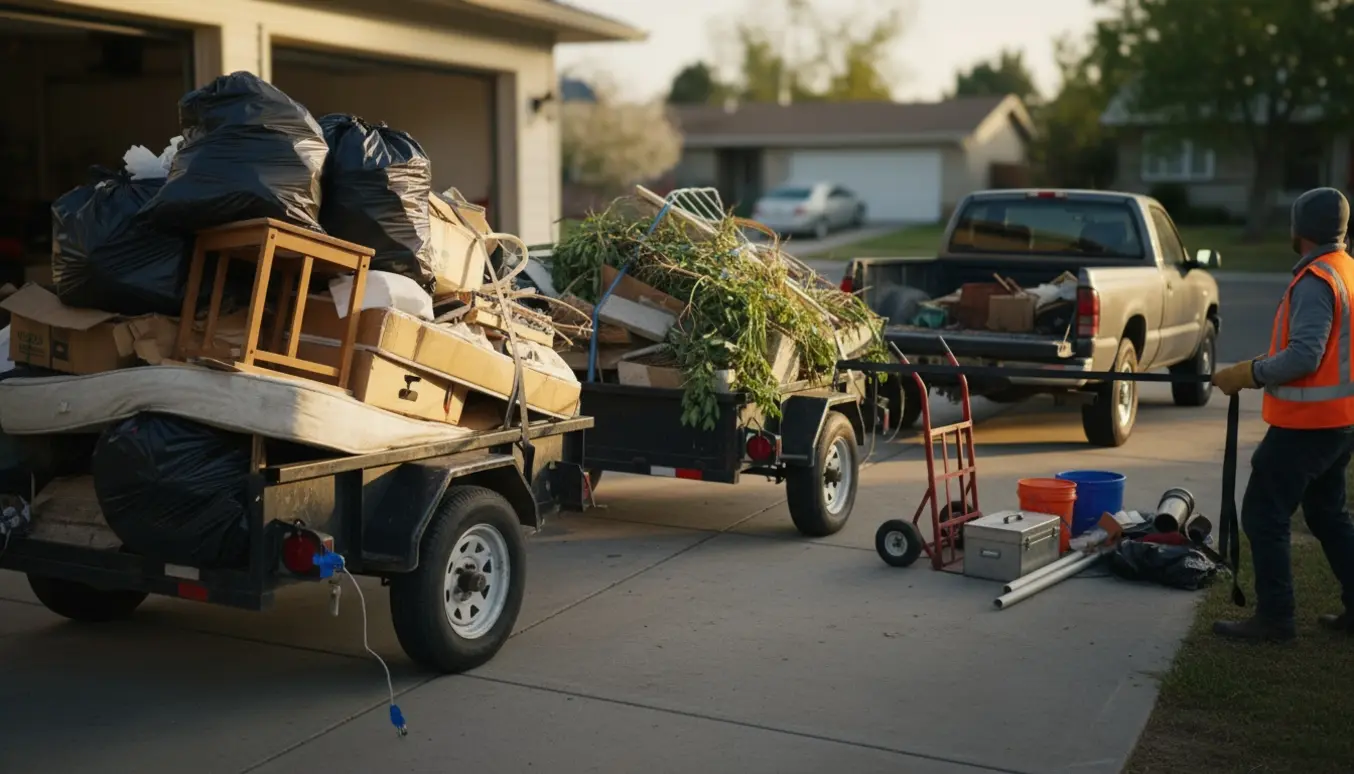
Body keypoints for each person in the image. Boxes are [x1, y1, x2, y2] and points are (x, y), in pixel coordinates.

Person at [1210, 187, 1354, 641]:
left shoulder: (1316, 280)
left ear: (1298, 229)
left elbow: (1306, 356)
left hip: (1309, 426)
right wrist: (1255, 365)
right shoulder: (1346, 270)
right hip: (1340, 422)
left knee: (1263, 513)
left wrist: (1250, 373)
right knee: (1326, 513)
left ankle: (1276, 619)